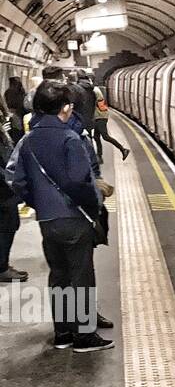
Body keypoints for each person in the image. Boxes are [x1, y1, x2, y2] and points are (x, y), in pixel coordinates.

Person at [5, 80, 111, 353]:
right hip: (75, 218)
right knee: (81, 276)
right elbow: (80, 181)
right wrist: (94, 204)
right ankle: (85, 337)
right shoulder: (69, 138)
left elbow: (16, 180)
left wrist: (39, 202)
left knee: (59, 275)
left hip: (47, 221)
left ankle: (63, 332)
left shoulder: (28, 140)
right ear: (65, 108)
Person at [0, 95, 27, 283]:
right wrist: (8, 179)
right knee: (7, 223)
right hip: (2, 188)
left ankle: (2, 264)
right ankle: (1, 267)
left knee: (9, 223)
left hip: (4, 185)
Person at [91, 87, 129, 163]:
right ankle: (99, 157)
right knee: (96, 137)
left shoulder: (95, 91)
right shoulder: (95, 90)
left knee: (105, 136)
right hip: (98, 116)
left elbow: (99, 105)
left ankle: (123, 149)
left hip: (100, 116)